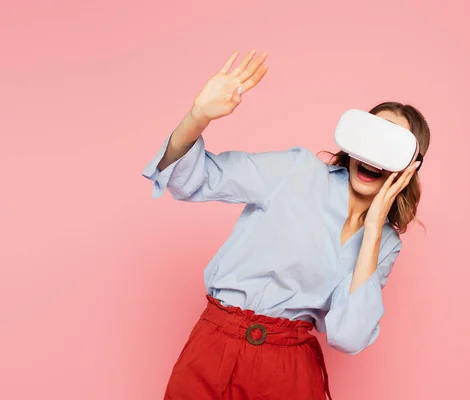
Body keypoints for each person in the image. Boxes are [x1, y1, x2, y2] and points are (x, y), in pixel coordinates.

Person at [142, 49, 431, 400]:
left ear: (409, 168)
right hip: (214, 347)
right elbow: (194, 179)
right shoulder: (297, 171)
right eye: (372, 137)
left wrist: (371, 231)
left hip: (289, 370)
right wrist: (198, 116)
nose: (373, 155)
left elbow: (349, 336)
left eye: (390, 147)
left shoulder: (385, 243)